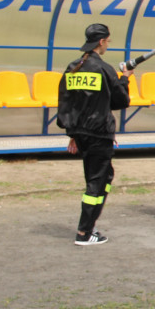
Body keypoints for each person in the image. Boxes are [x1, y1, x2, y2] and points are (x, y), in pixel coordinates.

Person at [56, 23, 132, 246]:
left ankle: (90, 226)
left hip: (81, 133)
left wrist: (72, 133)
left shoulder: (73, 67)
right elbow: (121, 101)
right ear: (101, 42)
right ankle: (85, 232)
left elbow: (68, 103)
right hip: (99, 134)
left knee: (102, 176)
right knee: (96, 181)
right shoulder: (103, 68)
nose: (108, 44)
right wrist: (125, 78)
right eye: (108, 41)